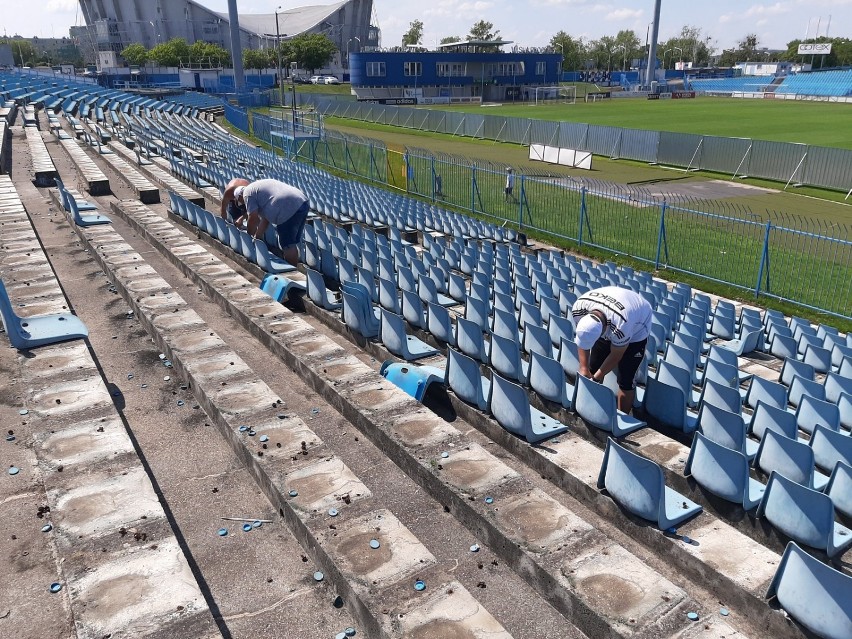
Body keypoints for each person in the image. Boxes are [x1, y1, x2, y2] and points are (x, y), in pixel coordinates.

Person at [571, 285, 652, 414]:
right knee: (592, 367)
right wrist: (584, 368)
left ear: (603, 331)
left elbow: (616, 356)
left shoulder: (621, 325)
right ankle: (592, 408)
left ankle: (622, 417)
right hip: (613, 312)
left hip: (638, 325)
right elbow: (583, 341)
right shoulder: (579, 308)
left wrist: (596, 378)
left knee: (626, 379)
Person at [233, 179, 310, 267]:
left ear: (239, 196)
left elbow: (253, 219)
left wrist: (248, 237)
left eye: (242, 202)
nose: (244, 204)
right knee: (291, 243)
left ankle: (292, 269)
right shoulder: (257, 190)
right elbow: (265, 220)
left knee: (287, 244)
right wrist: (256, 237)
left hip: (286, 206)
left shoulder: (247, 194)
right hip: (302, 201)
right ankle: (293, 266)